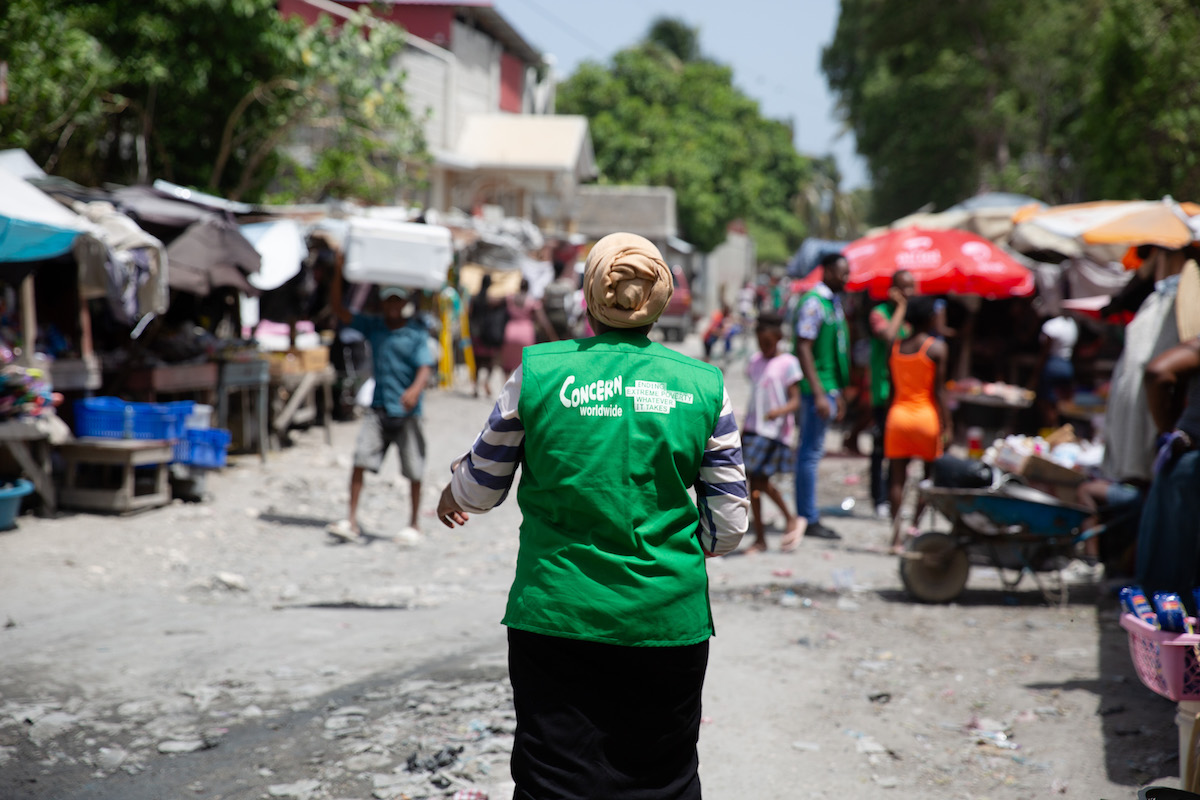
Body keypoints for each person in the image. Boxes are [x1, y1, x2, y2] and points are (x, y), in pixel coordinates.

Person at [435, 232, 748, 800]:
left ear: (587, 296)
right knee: (661, 781)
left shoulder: (539, 372)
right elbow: (728, 526)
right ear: (660, 298)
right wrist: (665, 546)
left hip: (556, 617)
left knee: (555, 779)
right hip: (667, 622)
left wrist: (453, 490)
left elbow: (480, 489)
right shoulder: (705, 386)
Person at [327, 263, 436, 542]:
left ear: (405, 303)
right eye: (389, 300)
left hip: (408, 410)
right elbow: (339, 309)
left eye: (398, 300)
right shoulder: (374, 327)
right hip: (379, 407)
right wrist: (340, 270)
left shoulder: (415, 333)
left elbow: (426, 367)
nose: (393, 305)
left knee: (414, 469)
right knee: (360, 460)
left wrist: (414, 390)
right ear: (383, 303)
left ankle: (414, 524)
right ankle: (351, 521)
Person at [1135, 334, 1200, 604]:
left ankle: (1175, 644)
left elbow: (1158, 372)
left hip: (1190, 463)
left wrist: (1167, 429)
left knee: (1168, 586)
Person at [792, 252, 852, 540]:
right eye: (842, 273)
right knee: (810, 453)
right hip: (814, 389)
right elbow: (804, 347)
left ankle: (807, 513)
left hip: (828, 387)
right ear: (827, 271)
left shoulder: (831, 302)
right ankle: (807, 516)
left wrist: (835, 392)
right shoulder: (814, 302)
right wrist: (818, 393)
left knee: (812, 452)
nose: (846, 278)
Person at [884, 297, 950, 553]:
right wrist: (948, 425)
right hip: (926, 419)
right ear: (928, 318)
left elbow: (892, 389)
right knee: (927, 478)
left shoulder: (896, 348)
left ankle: (896, 538)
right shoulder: (937, 349)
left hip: (897, 417)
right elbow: (940, 392)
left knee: (896, 480)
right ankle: (914, 528)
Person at [742, 312, 804, 552]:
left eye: (768, 343)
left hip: (773, 432)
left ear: (778, 338)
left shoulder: (789, 363)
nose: (764, 347)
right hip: (753, 428)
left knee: (757, 482)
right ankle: (763, 534)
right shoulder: (756, 361)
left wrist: (780, 411)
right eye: (760, 343)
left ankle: (774, 527)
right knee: (755, 483)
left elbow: (795, 400)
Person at [868, 270, 914, 518]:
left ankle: (893, 494)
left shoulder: (911, 317)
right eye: (904, 288)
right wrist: (900, 308)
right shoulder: (880, 314)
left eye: (912, 288)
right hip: (883, 391)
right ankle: (879, 497)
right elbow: (888, 336)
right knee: (880, 448)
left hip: (905, 392)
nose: (909, 293)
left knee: (900, 450)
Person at [1029, 310, 1079, 430]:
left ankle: (1051, 430)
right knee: (1061, 403)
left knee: (1047, 403)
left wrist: (1035, 375)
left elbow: (1045, 352)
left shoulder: (1052, 326)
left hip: (1053, 365)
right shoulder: (1072, 325)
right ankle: (1063, 430)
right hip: (1067, 364)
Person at [500, 279, 555, 378]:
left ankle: (507, 387)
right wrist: (552, 337)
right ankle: (522, 389)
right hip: (526, 333)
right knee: (525, 364)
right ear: (528, 288)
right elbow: (543, 321)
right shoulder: (531, 301)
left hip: (510, 332)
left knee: (508, 364)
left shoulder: (511, 298)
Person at [468, 274, 508, 398]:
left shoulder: (474, 298)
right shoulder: (490, 299)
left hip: (475, 332)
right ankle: (486, 382)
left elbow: (469, 314)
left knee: (476, 361)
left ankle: (475, 386)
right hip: (486, 333)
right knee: (489, 360)